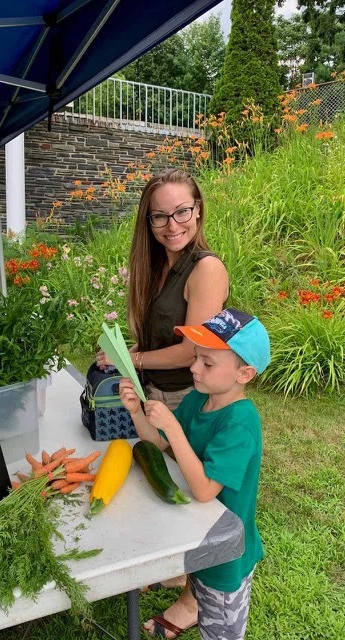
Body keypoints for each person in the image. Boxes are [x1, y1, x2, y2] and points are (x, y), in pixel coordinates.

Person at [119, 307, 271, 640]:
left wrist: (171, 426)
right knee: (199, 591)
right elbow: (163, 447)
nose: (193, 367)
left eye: (207, 363)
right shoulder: (196, 399)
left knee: (220, 631)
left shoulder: (240, 423)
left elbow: (204, 489)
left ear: (243, 374)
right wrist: (136, 414)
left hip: (226, 552)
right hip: (197, 535)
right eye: (196, 357)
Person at [96, 168, 229, 411]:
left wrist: (128, 360)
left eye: (182, 211)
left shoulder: (206, 269)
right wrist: (125, 353)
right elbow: (161, 339)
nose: (172, 225)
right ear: (148, 221)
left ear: (198, 209)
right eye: (160, 216)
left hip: (185, 398)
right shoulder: (157, 267)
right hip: (150, 390)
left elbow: (191, 352)